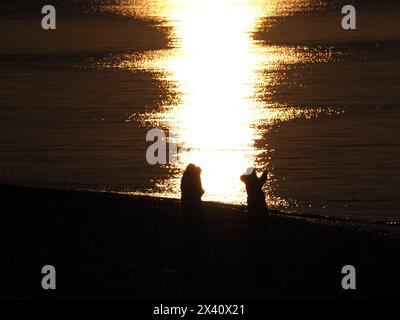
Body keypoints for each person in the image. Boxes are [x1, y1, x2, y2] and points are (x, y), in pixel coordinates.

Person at [180, 163, 205, 281]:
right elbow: (198, 192)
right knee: (195, 223)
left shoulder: (185, 178)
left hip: (186, 203)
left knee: (187, 222)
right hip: (194, 204)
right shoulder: (195, 178)